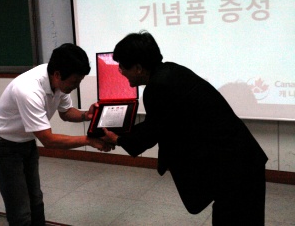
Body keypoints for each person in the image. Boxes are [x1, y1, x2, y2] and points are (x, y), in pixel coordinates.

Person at [102, 31, 268, 226]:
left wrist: (118, 139)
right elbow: (159, 123)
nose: (121, 71)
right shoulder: (172, 71)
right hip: (240, 161)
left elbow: (152, 131)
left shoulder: (158, 86)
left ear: (138, 68)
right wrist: (123, 135)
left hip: (234, 166)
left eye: (122, 67)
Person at [0, 44, 111, 226]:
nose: (76, 86)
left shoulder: (58, 80)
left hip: (27, 141)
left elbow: (66, 112)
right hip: (4, 145)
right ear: (57, 75)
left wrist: (86, 115)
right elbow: (48, 140)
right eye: (74, 82)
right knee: (19, 210)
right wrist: (88, 140)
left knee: (36, 200)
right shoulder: (28, 89)